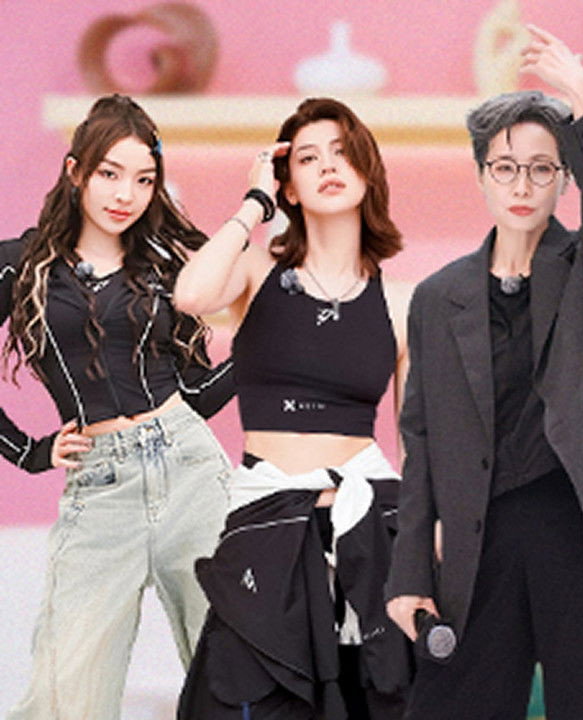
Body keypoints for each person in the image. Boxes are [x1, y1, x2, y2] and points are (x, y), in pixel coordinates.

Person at [384, 24, 583, 719]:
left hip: (578, 523)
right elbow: (420, 441)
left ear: (564, 179)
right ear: (482, 174)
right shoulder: (438, 298)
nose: (523, 185)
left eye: (543, 168)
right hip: (477, 533)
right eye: (506, 167)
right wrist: (409, 570)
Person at [172, 96, 413, 718]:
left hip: (370, 518)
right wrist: (253, 205)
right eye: (308, 158)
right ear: (290, 187)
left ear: (366, 172)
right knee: (246, 693)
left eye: (342, 152)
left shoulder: (400, 302)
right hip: (267, 515)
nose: (328, 166)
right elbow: (191, 294)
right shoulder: (256, 269)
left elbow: (417, 441)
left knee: (373, 697)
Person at [0, 95, 233, 720]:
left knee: (237, 677)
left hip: (191, 472)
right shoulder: (20, 266)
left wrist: (258, 351)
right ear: (75, 171)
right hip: (100, 489)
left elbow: (198, 395)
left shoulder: (162, 269)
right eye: (109, 173)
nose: (126, 194)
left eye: (143, 179)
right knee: (64, 694)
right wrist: (27, 452)